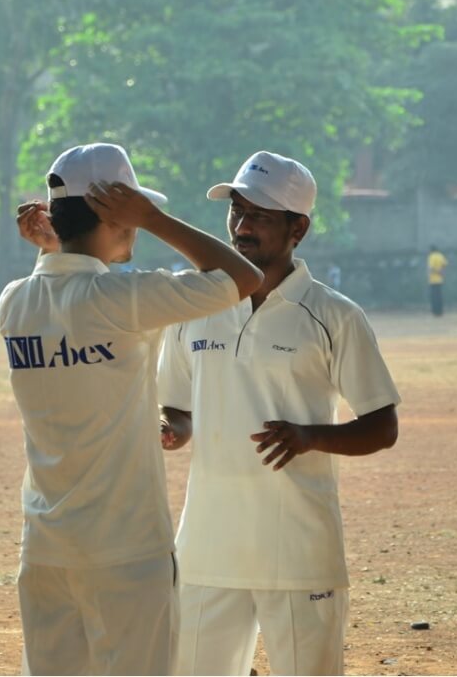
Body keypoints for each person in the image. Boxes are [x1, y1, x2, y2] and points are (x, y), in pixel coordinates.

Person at [0, 142, 263, 676]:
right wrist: (158, 219)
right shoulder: (122, 299)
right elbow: (243, 278)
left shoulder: (15, 302)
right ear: (117, 214)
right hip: (125, 552)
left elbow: (59, 287)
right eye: (133, 213)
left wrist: (54, 248)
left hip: (47, 549)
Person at [156, 151, 401, 676]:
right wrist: (170, 429)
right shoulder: (193, 305)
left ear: (299, 229)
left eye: (260, 217)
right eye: (236, 211)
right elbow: (176, 406)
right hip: (206, 551)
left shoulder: (333, 315)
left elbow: (383, 427)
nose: (241, 228)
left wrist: (310, 436)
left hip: (298, 553)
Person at [426, 244, 448, 317]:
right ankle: (440, 311)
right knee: (439, 296)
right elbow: (445, 264)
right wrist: (442, 272)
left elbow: (431, 268)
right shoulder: (440, 255)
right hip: (440, 279)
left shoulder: (431, 256)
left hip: (433, 280)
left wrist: (431, 274)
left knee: (434, 297)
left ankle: (435, 312)